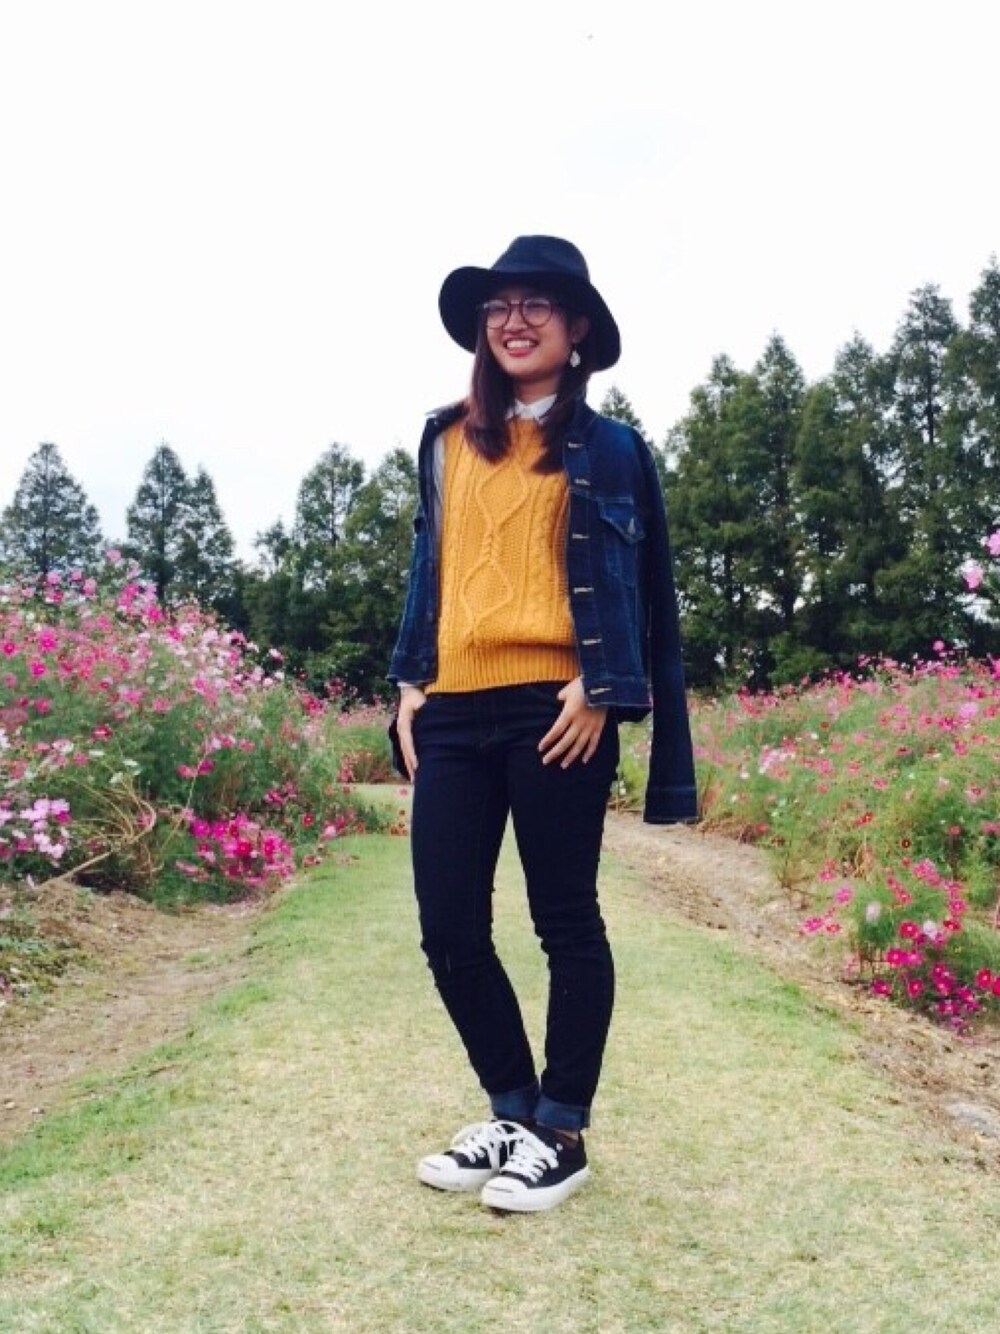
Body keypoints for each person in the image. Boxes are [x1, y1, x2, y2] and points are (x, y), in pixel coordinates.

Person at [388, 235, 696, 1213]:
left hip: (556, 708)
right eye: (497, 307)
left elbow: (641, 586)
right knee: (447, 926)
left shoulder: (613, 449)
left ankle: (561, 1129)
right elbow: (430, 568)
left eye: (535, 305)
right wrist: (410, 682)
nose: (512, 321)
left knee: (564, 918)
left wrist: (602, 685)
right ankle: (513, 1111)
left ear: (576, 329)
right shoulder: (444, 440)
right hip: (452, 710)